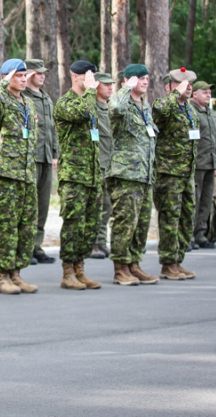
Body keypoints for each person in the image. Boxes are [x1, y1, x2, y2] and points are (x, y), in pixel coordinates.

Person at [0, 59, 38, 295]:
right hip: (7, 172)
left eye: (25, 75)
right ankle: (2, 276)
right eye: (18, 75)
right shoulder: (1, 99)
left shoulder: (28, 103)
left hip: (26, 172)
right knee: (7, 225)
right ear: (7, 77)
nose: (23, 79)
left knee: (26, 226)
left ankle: (16, 274)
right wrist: (4, 81)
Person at [106, 64, 159, 286]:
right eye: (139, 78)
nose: (144, 81)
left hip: (144, 174)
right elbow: (114, 108)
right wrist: (127, 88)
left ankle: (135, 264)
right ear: (126, 82)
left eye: (146, 78)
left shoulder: (145, 106)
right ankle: (120, 268)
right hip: (126, 174)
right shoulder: (121, 102)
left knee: (141, 223)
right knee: (125, 221)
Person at [53, 60, 103, 290]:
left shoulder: (90, 101)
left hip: (91, 174)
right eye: (87, 76)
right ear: (75, 76)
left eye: (93, 77)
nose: (92, 81)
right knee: (73, 224)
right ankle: (68, 272)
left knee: (90, 225)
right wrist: (92, 90)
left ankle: (80, 268)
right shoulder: (65, 103)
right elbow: (82, 112)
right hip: (73, 175)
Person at [152, 68, 199, 280]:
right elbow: (159, 110)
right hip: (168, 173)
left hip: (186, 172)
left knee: (186, 218)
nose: (187, 87)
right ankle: (168, 263)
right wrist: (175, 94)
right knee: (169, 218)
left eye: (190, 84)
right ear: (169, 87)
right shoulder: (165, 105)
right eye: (182, 83)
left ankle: (178, 260)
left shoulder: (189, 109)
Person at [21, 59, 58, 265]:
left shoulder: (46, 98)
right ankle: (25, 247)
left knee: (43, 205)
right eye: (38, 73)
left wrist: (55, 153)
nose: (42, 76)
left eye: (44, 73)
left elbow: (52, 128)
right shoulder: (22, 96)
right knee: (29, 205)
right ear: (28, 74)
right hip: (31, 157)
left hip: (45, 157)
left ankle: (37, 246)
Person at [190, 81, 216, 249]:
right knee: (193, 200)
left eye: (209, 92)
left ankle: (201, 234)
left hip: (210, 163)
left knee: (206, 201)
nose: (208, 94)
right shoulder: (190, 111)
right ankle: (189, 235)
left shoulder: (210, 113)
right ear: (195, 94)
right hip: (196, 164)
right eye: (204, 92)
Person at [91, 72, 115, 259]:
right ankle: (92, 243)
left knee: (107, 205)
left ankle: (101, 241)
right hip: (97, 162)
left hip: (111, 163)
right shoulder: (92, 107)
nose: (110, 88)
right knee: (95, 205)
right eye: (106, 84)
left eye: (111, 84)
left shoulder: (112, 108)